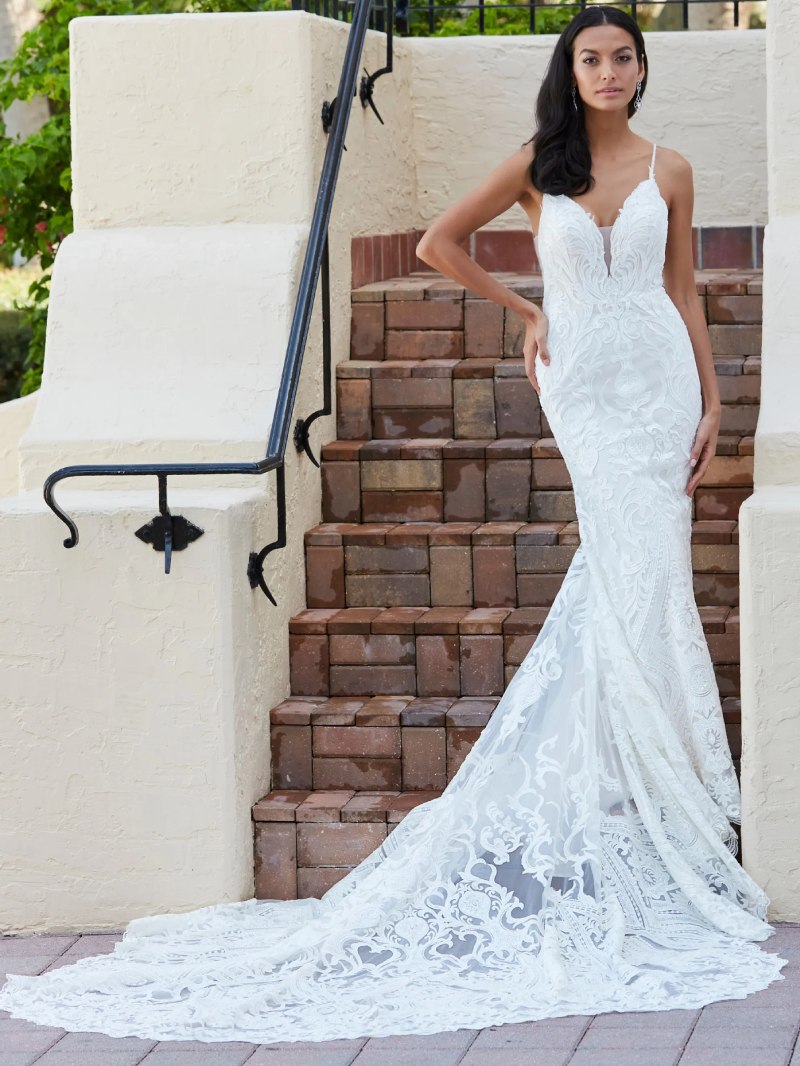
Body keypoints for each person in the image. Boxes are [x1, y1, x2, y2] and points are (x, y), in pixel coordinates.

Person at [0, 4, 785, 1045]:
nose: (607, 70)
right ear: (571, 70)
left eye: (621, 57)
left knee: (643, 576)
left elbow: (680, 288)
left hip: (656, 381)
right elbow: (435, 242)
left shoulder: (667, 169)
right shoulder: (534, 162)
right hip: (583, 380)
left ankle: (638, 798)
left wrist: (716, 400)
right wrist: (527, 310)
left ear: (640, 72)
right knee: (625, 566)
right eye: (591, 57)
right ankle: (634, 797)